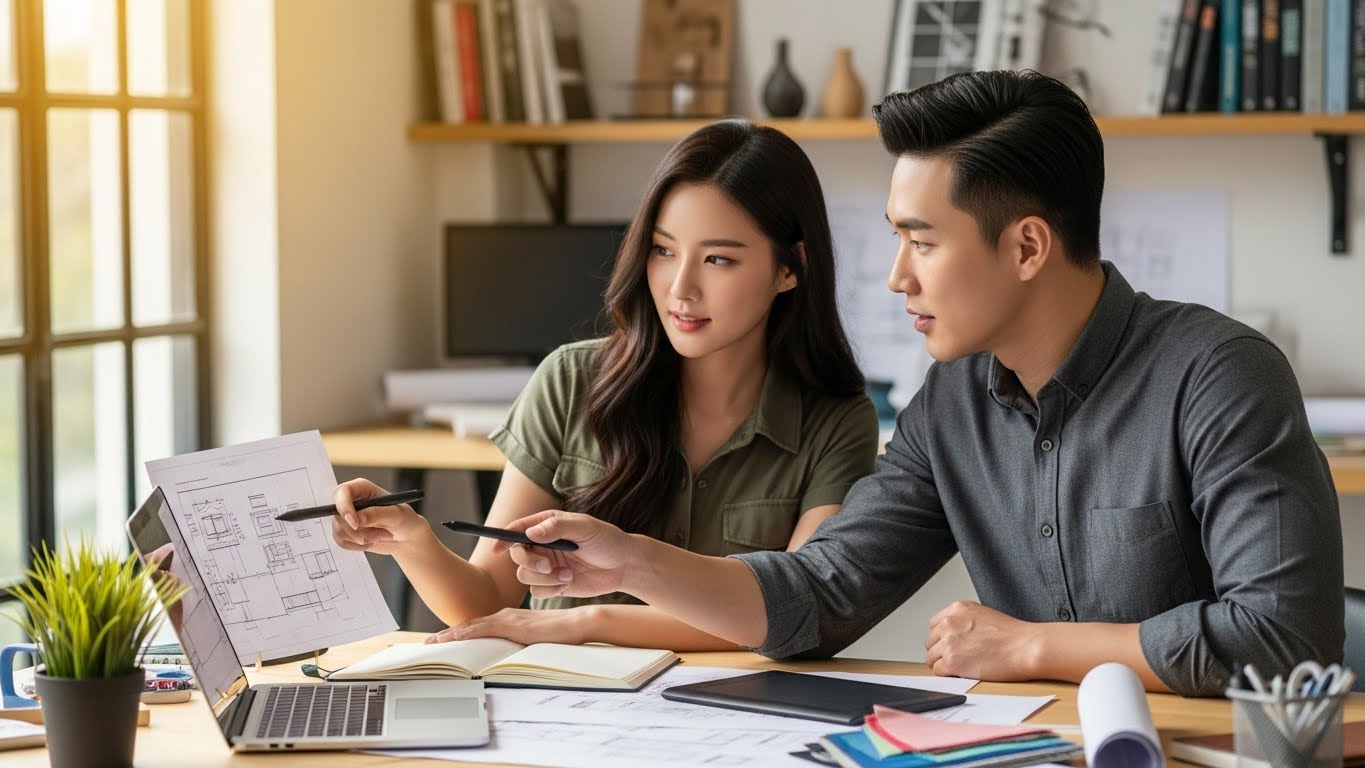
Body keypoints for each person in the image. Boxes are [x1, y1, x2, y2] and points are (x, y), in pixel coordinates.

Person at [493, 70, 1345, 697]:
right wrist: (630, 558)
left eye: (922, 242)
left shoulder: (1218, 375)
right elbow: (818, 596)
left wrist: (1034, 648)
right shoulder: (950, 404)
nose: (897, 276)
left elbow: (1279, 638)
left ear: (1025, 248)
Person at [330, 119, 879, 651]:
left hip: (728, 718)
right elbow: (486, 602)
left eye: (717, 259)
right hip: (560, 711)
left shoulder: (835, 420)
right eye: (663, 250)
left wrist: (583, 623)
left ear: (791, 268)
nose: (680, 287)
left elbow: (797, 611)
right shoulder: (570, 381)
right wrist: (411, 538)